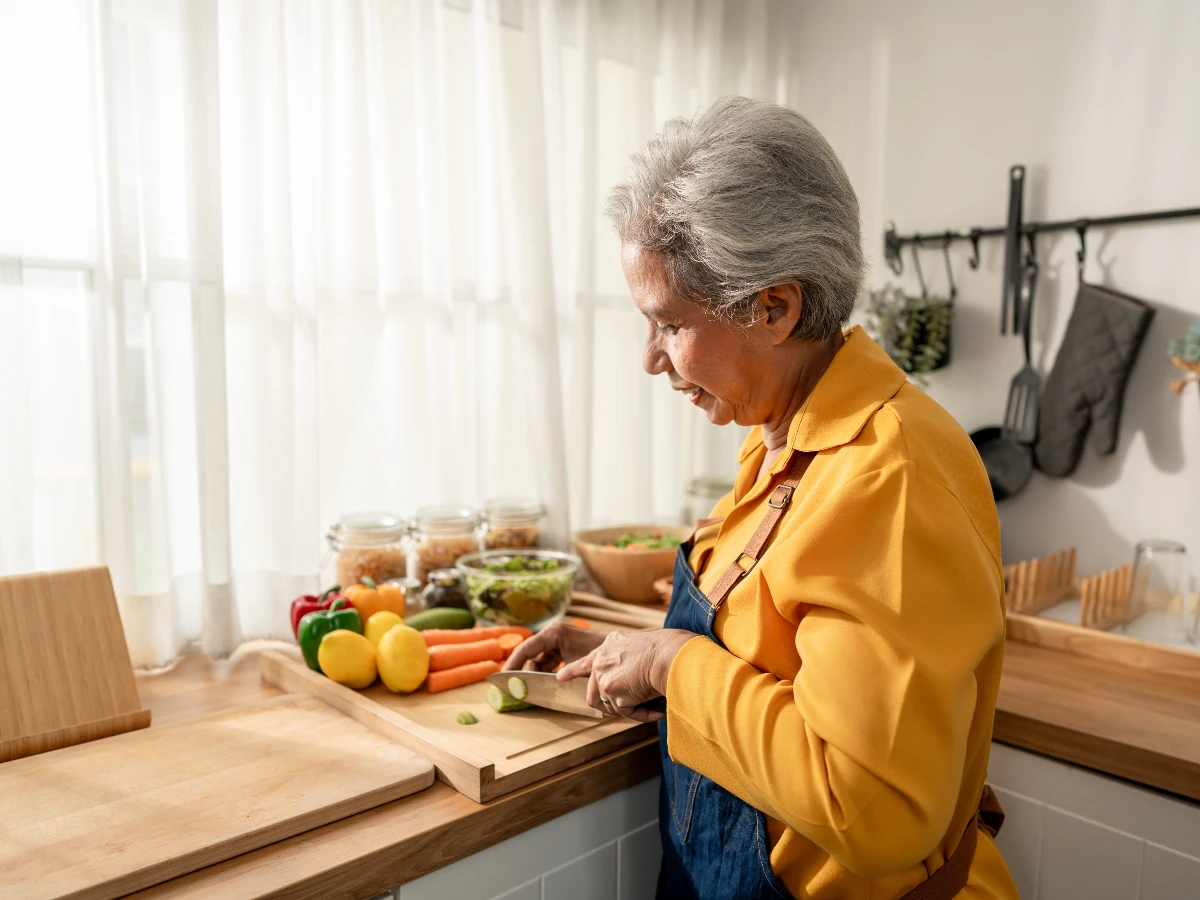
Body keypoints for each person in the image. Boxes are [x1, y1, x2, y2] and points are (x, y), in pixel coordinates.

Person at [505, 96, 1017, 900]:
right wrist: (629, 655)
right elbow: (775, 652)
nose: (650, 359)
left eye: (667, 324)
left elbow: (873, 807)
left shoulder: (892, 476)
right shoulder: (780, 435)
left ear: (773, 307)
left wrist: (675, 664)